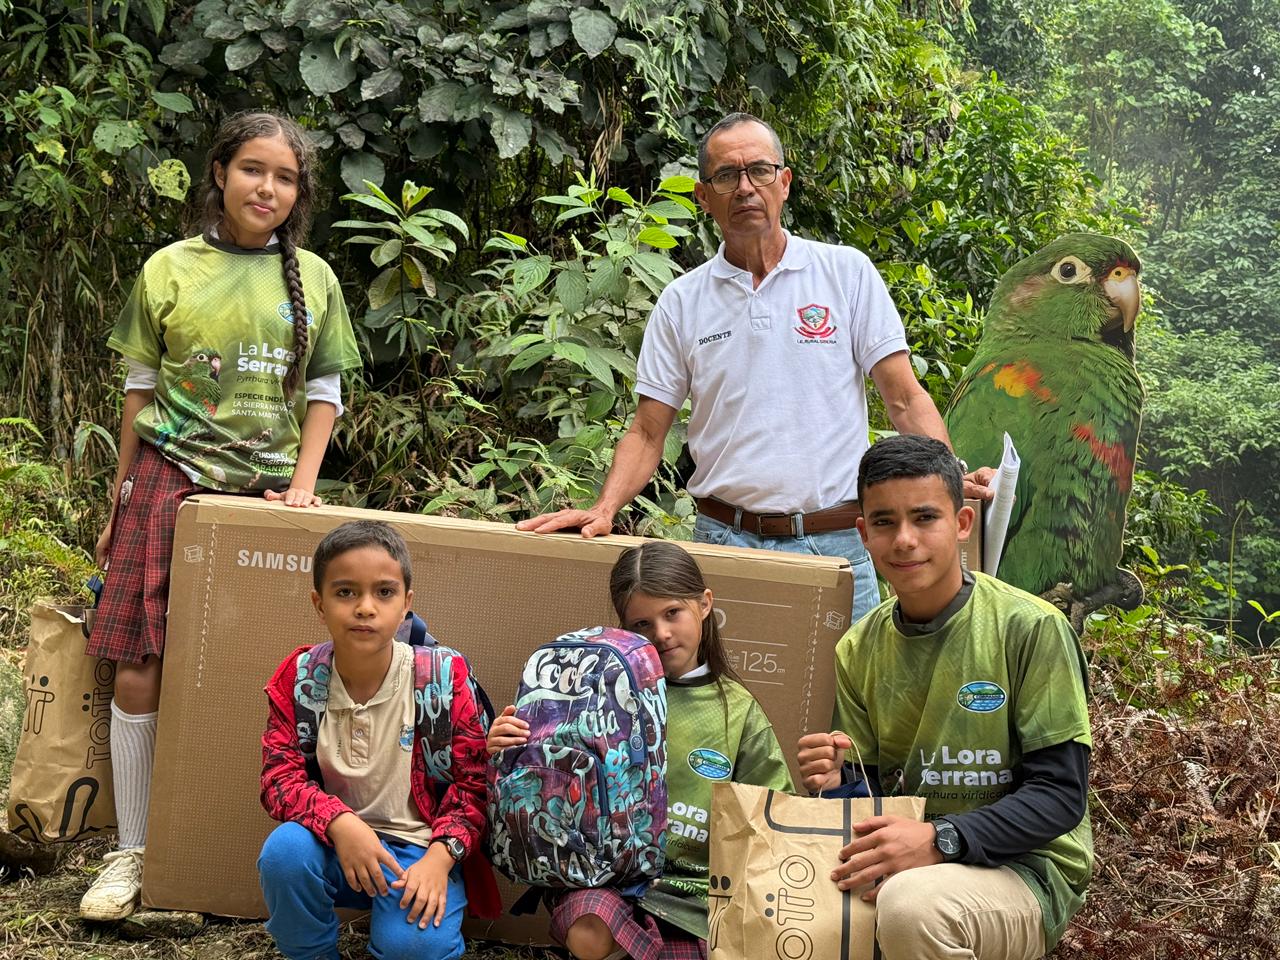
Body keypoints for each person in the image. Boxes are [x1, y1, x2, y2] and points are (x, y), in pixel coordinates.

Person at [517, 112, 991, 625]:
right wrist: (604, 507)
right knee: (730, 695)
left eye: (760, 171)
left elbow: (903, 397)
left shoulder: (844, 273)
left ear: (783, 183)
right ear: (704, 196)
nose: (745, 188)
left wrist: (948, 475)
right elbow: (649, 431)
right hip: (723, 542)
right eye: (727, 176)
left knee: (845, 700)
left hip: (833, 545)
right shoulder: (682, 302)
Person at [78, 111, 362, 921]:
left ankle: (228, 842)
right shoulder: (169, 268)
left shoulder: (314, 277)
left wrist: (304, 488)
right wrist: (119, 500)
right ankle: (131, 851)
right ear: (221, 173)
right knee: (142, 661)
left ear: (298, 194)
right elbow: (137, 394)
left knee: (253, 670)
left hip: (267, 495)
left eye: (285, 177)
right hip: (169, 478)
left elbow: (323, 395)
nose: (266, 187)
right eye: (251, 169)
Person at [796, 435, 1092, 960]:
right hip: (905, 859)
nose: (904, 540)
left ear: (962, 525)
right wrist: (836, 782)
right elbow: (869, 800)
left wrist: (939, 839)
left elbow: (1060, 796)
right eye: (884, 522)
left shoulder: (1030, 628)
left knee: (913, 908)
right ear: (863, 533)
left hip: (1023, 870)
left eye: (925, 517)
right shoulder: (858, 650)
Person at [487, 541, 793, 960]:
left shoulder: (738, 710)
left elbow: (774, 808)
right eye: (643, 623)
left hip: (696, 891)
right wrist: (505, 746)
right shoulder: (594, 690)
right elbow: (543, 768)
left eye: (673, 614)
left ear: (704, 605)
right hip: (603, 874)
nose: (662, 634)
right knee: (590, 930)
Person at [257, 520, 496, 960]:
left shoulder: (441, 679)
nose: (365, 607)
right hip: (333, 843)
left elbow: (475, 783)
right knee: (284, 853)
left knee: (415, 949)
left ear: (406, 604)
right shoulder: (301, 678)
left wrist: (441, 859)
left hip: (419, 851)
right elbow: (279, 777)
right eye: (345, 592)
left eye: (383, 592)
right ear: (319, 603)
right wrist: (340, 823)